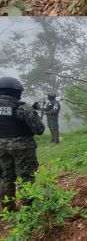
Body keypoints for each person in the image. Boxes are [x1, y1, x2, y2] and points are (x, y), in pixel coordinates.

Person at [0, 77, 45, 210]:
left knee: (5, 178)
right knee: (26, 178)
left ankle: (8, 209)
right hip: (23, 149)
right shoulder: (23, 108)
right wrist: (36, 114)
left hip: (1, 148)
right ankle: (27, 210)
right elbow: (39, 130)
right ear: (16, 91)